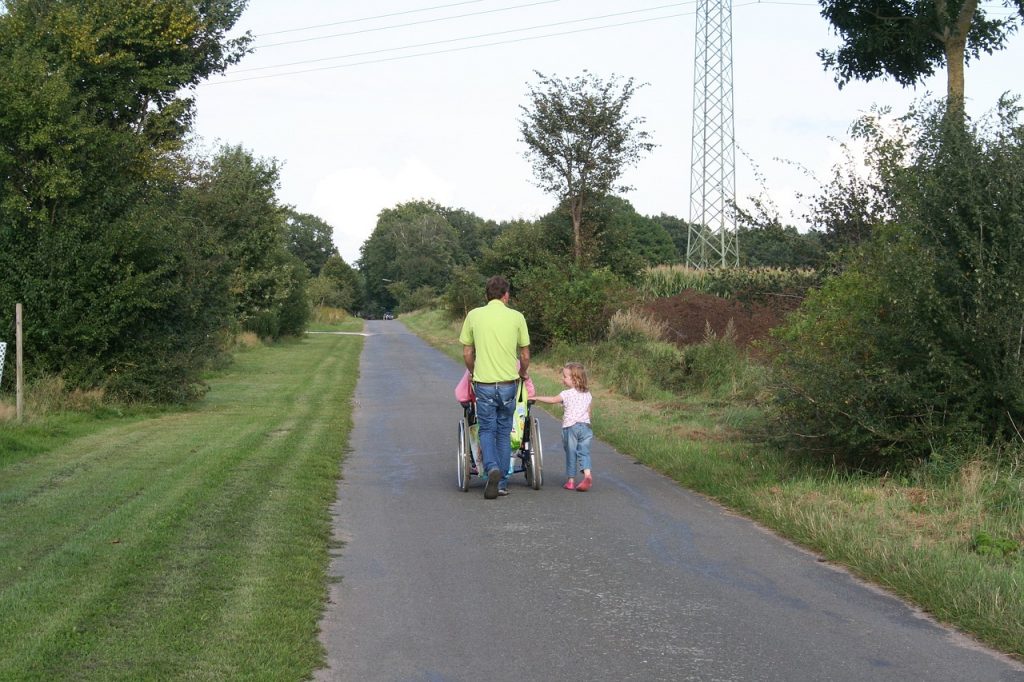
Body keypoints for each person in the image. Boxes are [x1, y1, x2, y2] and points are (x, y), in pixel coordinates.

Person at [459, 276, 530, 499]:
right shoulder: (517, 317)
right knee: (503, 431)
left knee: (486, 429)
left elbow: (468, 353)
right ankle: (502, 483)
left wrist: (472, 372)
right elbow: (525, 355)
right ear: (506, 295)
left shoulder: (473, 315)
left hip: (484, 384)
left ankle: (491, 468)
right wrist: (521, 373)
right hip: (509, 384)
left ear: (487, 295)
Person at [532, 362, 594, 492]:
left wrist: (536, 397)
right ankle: (587, 475)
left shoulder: (567, 394)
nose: (563, 379)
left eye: (565, 376)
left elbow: (553, 400)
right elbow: (589, 411)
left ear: (575, 379)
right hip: (586, 427)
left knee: (571, 453)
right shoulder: (588, 394)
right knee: (584, 452)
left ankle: (571, 481)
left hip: (570, 428)